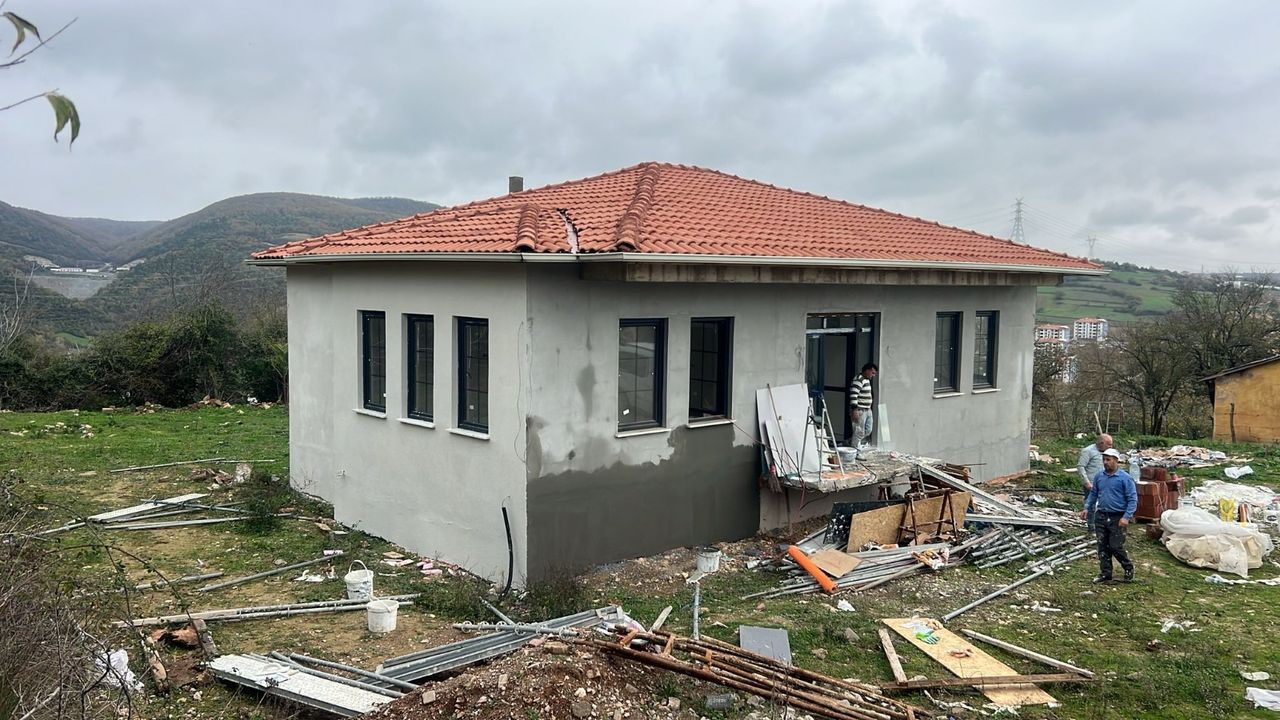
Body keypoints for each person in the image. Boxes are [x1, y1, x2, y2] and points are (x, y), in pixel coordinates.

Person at [1080, 448, 1137, 583]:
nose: (1105, 462)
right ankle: (1105, 573)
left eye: (1108, 460)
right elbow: (1094, 494)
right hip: (1101, 515)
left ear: (1116, 460)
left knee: (1115, 546)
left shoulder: (1125, 478)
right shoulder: (1100, 476)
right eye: (1104, 459)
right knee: (1102, 546)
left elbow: (1132, 499)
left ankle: (1128, 567)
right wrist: (1087, 508)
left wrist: (1126, 517)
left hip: (1117, 516)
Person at [1076, 433, 1113, 530]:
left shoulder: (1107, 452)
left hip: (1104, 482)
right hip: (1091, 483)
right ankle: (1091, 527)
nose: (1110, 447)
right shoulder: (1088, 451)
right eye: (1108, 444)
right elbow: (1080, 467)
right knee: (1091, 505)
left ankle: (1103, 524)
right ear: (1101, 443)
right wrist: (1086, 482)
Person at [849, 362, 878, 449]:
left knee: (868, 430)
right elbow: (853, 395)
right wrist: (855, 409)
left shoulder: (866, 380)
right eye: (872, 373)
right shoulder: (859, 380)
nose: (873, 375)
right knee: (858, 431)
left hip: (867, 410)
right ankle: (855, 449)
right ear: (867, 370)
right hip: (860, 410)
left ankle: (852, 442)